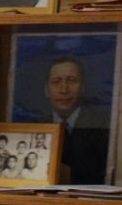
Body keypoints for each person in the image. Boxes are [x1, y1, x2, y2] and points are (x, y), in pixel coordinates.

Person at [30, 55, 109, 184]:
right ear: (46, 90)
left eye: (72, 80)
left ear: (83, 87)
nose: (64, 90)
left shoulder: (103, 124)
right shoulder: (34, 127)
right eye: (56, 82)